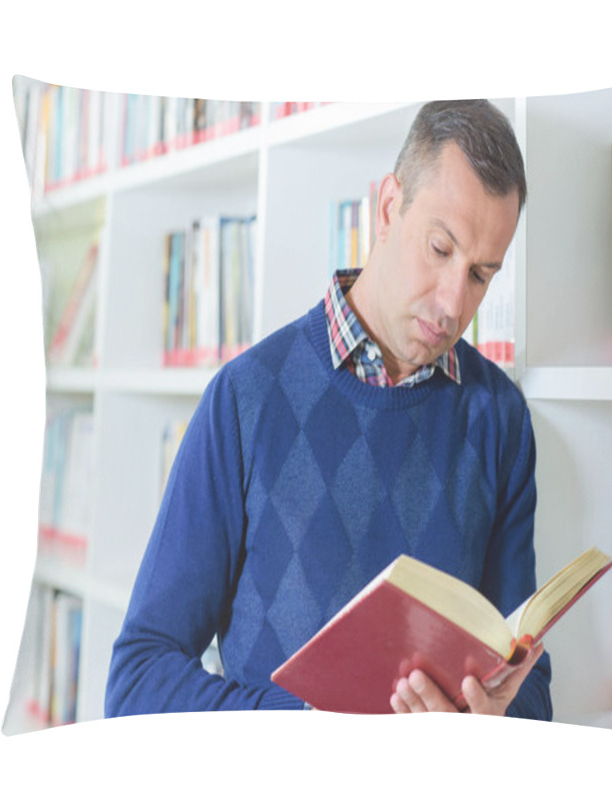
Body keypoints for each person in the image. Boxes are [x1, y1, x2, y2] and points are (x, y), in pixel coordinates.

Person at [104, 99, 552, 720]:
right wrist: (312, 725)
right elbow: (138, 679)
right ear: (390, 207)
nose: (454, 302)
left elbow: (530, 681)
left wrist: (493, 716)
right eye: (440, 249)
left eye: (480, 274)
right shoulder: (244, 398)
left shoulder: (498, 416)